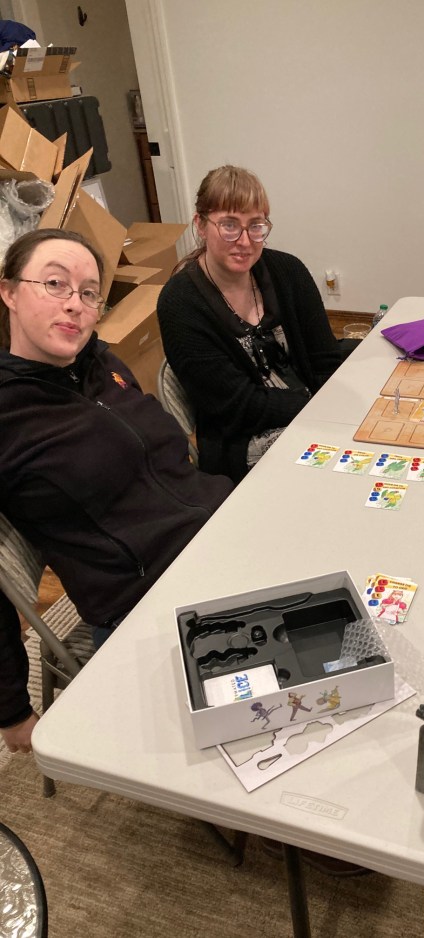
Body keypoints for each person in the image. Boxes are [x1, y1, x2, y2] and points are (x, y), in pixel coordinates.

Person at [0, 229, 234, 753]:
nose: (75, 304)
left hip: (226, 538)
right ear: (9, 292)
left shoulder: (103, 365)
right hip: (153, 604)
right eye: (55, 284)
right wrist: (11, 710)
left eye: (89, 293)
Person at [157, 165, 353, 486]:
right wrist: (316, 405)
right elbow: (237, 407)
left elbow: (324, 360)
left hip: (310, 413)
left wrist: (333, 410)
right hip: (241, 442)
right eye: (229, 226)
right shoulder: (180, 303)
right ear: (200, 225)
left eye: (256, 226)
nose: (245, 241)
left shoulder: (288, 271)